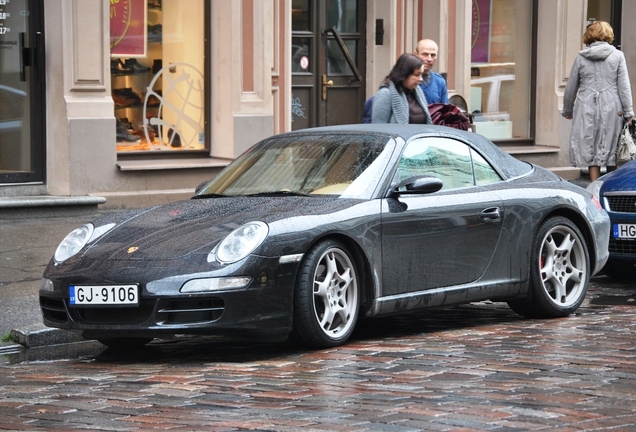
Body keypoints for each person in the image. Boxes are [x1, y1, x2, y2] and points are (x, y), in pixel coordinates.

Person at [561, 21, 633, 181]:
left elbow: (571, 85)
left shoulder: (581, 57)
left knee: (590, 145)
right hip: (612, 106)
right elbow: (624, 87)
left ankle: (594, 186)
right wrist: (629, 112)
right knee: (612, 146)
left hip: (586, 105)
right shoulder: (617, 56)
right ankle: (611, 186)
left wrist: (567, 109)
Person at [371, 53, 432, 124]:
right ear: (404, 74)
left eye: (421, 74)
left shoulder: (417, 92)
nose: (421, 79)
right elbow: (378, 127)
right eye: (417, 75)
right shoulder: (385, 94)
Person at [414, 39, 448, 104]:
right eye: (425, 54)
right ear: (415, 54)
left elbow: (445, 111)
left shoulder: (440, 82)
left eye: (433, 55)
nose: (429, 59)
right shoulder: (406, 79)